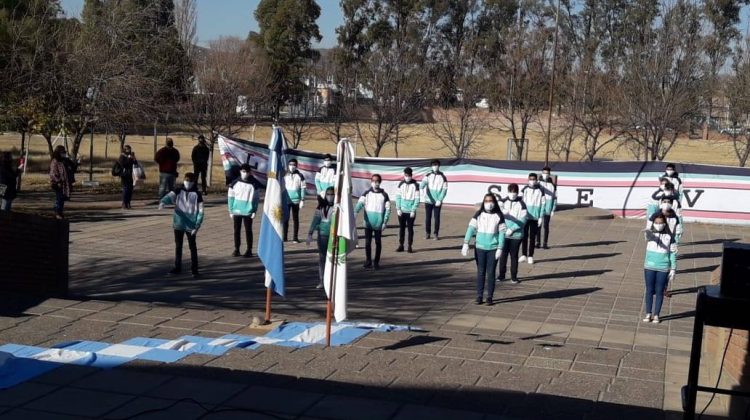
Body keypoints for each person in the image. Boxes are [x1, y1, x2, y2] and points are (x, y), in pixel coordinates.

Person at [462, 193, 506, 305]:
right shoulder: (478, 214)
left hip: (493, 248)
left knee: (490, 273)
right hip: (480, 248)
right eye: (486, 201)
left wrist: (500, 248)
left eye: (490, 201)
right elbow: (471, 228)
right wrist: (466, 243)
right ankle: (479, 295)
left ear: (494, 202)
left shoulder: (499, 216)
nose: (488, 203)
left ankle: (490, 297)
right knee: (481, 272)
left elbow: (502, 233)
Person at [159, 173, 204, 277]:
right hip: (178, 223)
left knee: (192, 247)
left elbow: (201, 211)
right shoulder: (178, 190)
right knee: (178, 246)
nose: (187, 182)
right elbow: (169, 196)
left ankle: (194, 269)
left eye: (190, 181)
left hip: (191, 225)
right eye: (186, 180)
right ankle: (177, 267)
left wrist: (197, 225)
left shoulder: (197, 195)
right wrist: (163, 202)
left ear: (193, 182)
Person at [642, 214, 677, 324]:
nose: (658, 225)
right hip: (649, 266)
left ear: (665, 223)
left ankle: (656, 314)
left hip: (663, 267)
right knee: (649, 290)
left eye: (661, 222)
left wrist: (673, 268)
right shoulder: (650, 234)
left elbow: (672, 253)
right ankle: (648, 313)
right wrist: (649, 227)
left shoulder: (670, 237)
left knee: (660, 291)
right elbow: (647, 235)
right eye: (656, 223)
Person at [355, 174, 391, 270]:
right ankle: (368, 261)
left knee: (378, 243)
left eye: (377, 181)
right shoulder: (366, 193)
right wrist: (354, 213)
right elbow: (359, 204)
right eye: (373, 180)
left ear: (380, 182)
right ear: (371, 181)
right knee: (367, 243)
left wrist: (385, 222)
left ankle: (376, 262)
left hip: (379, 224)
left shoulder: (384, 195)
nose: (375, 183)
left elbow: (388, 209)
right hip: (368, 224)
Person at [497, 183, 527, 284]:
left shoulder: (522, 204)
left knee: (514, 256)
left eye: (514, 192)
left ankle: (514, 277)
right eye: (511, 191)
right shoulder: (502, 202)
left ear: (517, 192)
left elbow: (523, 220)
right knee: (503, 255)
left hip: (516, 235)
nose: (512, 194)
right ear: (507, 191)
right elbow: (496, 216)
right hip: (504, 234)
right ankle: (501, 275)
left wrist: (513, 229)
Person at [228, 164, 260, 257]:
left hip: (248, 211)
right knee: (236, 230)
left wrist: (254, 210)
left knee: (248, 230)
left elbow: (256, 199)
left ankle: (249, 249)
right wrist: (230, 210)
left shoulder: (254, 184)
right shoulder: (235, 183)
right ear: (240, 172)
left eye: (246, 172)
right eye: (243, 171)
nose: (245, 173)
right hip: (237, 210)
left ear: (250, 172)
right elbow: (231, 197)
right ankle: (237, 249)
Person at [308, 187, 335, 289]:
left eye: (332, 194)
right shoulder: (320, 207)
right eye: (328, 194)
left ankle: (332, 281)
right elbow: (315, 220)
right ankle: (322, 281)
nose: (330, 196)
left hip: (333, 236)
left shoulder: (338, 206)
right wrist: (310, 233)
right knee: (322, 258)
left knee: (332, 259)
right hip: (322, 235)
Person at [520, 173, 546, 264]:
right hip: (525, 217)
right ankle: (523, 255)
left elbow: (543, 204)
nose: (532, 180)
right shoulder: (525, 189)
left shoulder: (541, 190)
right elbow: (521, 203)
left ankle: (530, 255)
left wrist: (540, 217)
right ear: (528, 179)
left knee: (532, 237)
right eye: (530, 179)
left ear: (536, 180)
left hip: (535, 217)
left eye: (534, 179)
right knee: (524, 236)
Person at [420, 159, 448, 240]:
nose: (434, 166)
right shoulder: (427, 175)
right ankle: (427, 233)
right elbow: (422, 185)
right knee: (428, 218)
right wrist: (422, 193)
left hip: (437, 202)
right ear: (431, 166)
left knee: (437, 218)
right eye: (433, 165)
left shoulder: (443, 177)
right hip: (428, 200)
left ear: (439, 166)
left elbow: (444, 189)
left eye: (436, 165)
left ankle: (436, 234)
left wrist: (440, 199)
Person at [395, 167, 419, 253]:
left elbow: (417, 199)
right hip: (401, 211)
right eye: (406, 175)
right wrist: (398, 208)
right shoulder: (401, 184)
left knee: (410, 229)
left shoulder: (416, 185)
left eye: (409, 175)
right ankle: (401, 245)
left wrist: (413, 210)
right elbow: (398, 197)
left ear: (411, 175)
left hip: (410, 212)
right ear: (404, 175)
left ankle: (409, 245)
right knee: (401, 229)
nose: (407, 177)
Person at [49, 146, 76, 219]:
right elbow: (52, 173)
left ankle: (59, 212)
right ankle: (57, 212)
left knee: (62, 198)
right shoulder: (55, 161)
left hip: (65, 183)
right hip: (58, 183)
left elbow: (73, 167)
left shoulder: (65, 160)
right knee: (59, 198)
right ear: (58, 153)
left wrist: (73, 162)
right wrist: (58, 181)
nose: (64, 154)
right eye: (63, 152)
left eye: (65, 152)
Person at [284, 158, 306, 243]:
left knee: (295, 219)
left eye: (293, 165)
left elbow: (303, 188)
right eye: (290, 164)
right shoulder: (285, 174)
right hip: (286, 200)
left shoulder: (300, 176)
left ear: (296, 166)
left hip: (296, 201)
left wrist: (302, 200)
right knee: (286, 218)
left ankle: (295, 237)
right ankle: (285, 236)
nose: (292, 166)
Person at [536, 166, 556, 249]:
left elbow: (555, 197)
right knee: (538, 225)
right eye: (544, 173)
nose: (545, 174)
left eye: (547, 173)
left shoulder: (552, 185)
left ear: (549, 174)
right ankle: (538, 242)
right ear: (541, 173)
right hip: (539, 207)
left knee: (546, 226)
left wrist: (553, 209)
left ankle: (545, 243)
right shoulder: (538, 183)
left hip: (548, 207)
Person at [118, 145, 137, 209]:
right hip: (124, 175)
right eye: (128, 149)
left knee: (130, 190)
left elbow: (135, 163)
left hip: (130, 175)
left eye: (130, 149)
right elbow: (123, 164)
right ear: (125, 150)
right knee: (126, 189)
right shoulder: (122, 156)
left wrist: (134, 158)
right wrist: (129, 158)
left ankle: (128, 203)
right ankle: (124, 203)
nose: (129, 151)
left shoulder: (130, 156)